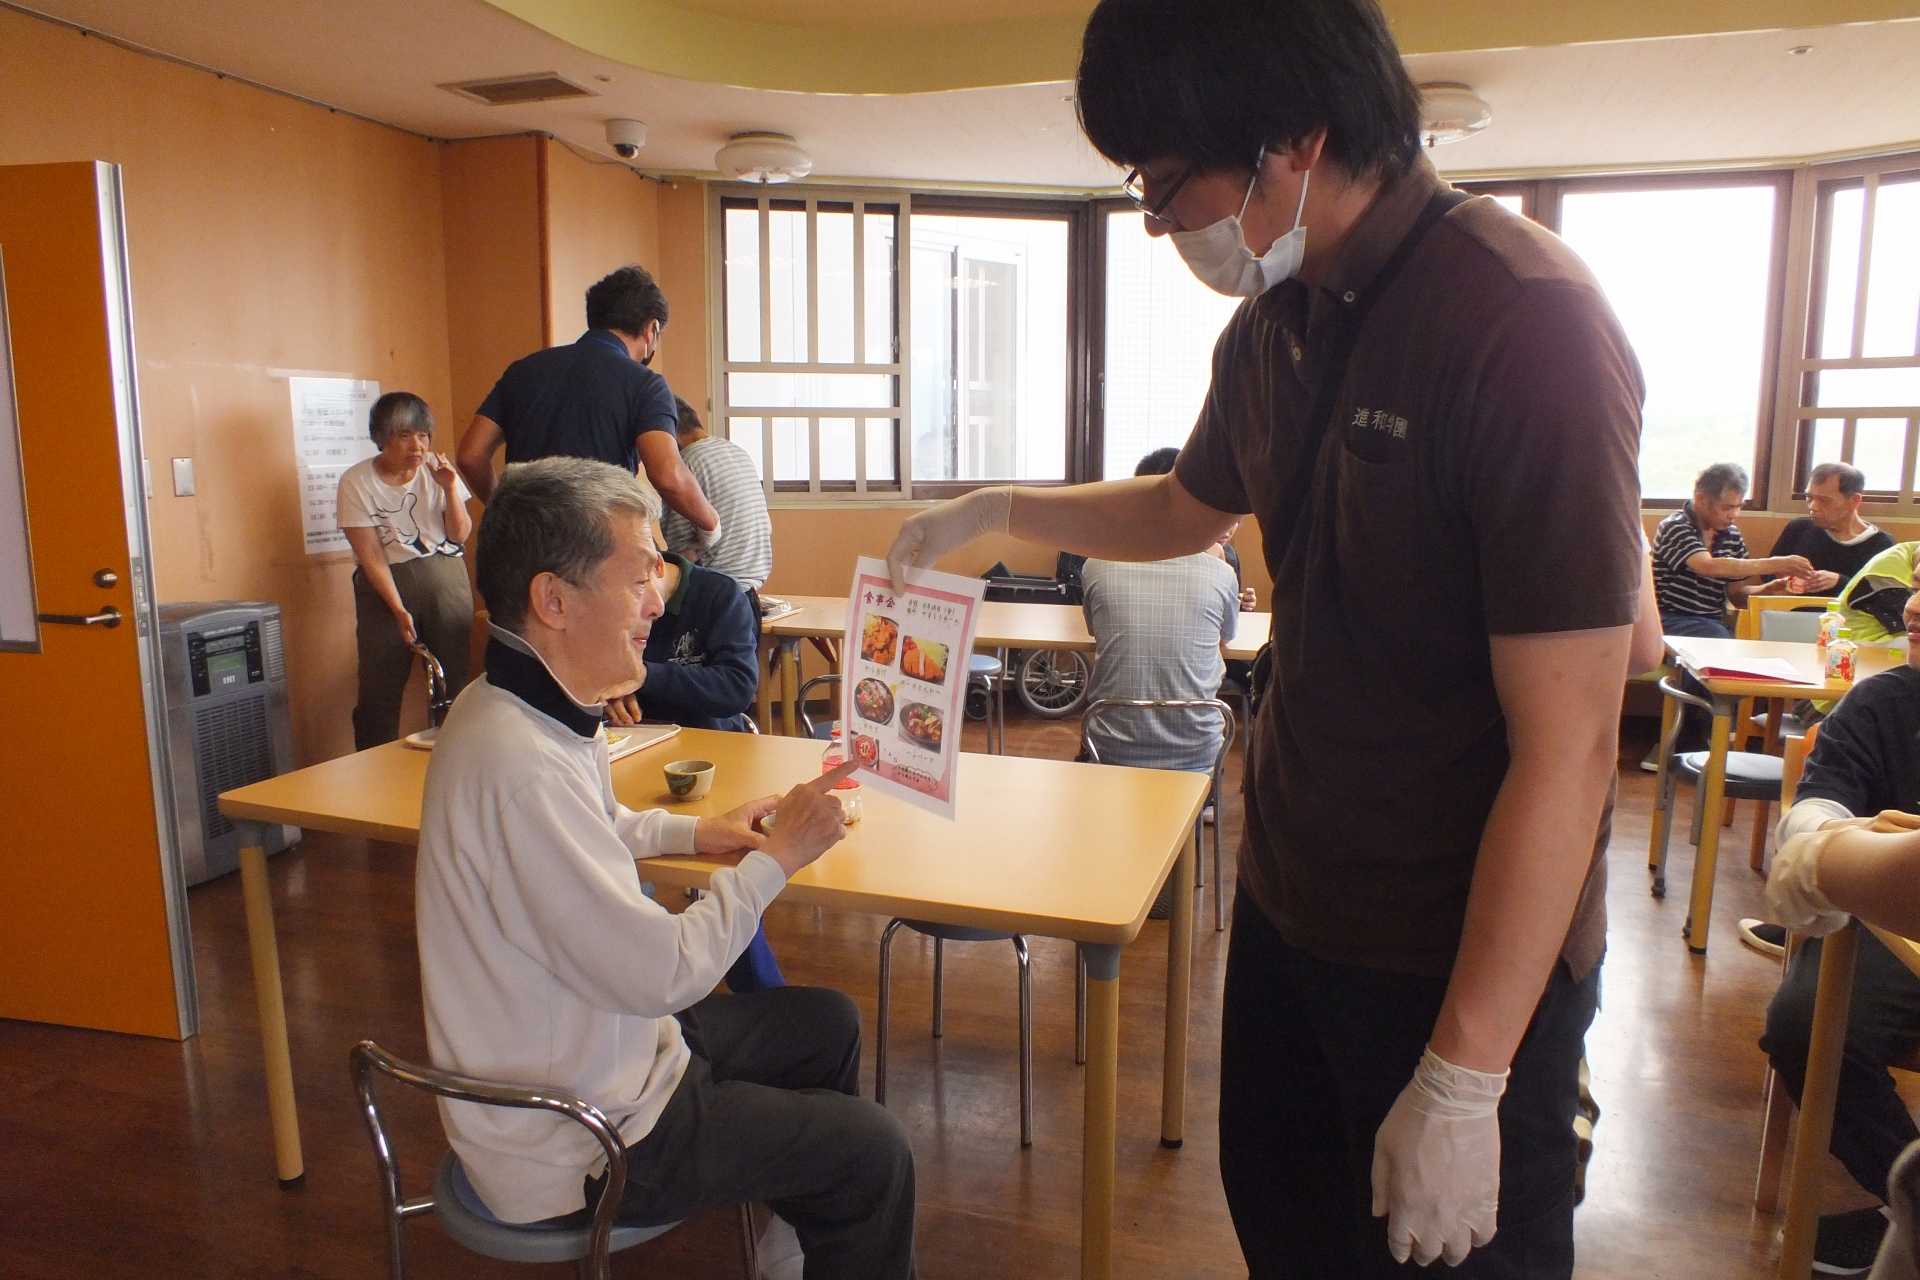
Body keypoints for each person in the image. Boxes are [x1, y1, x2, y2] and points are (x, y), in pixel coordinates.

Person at [889, 2, 1643, 1272]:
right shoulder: (1276, 323)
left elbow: (1570, 747)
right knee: (1289, 1230)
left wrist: (1465, 1072)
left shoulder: (1523, 323)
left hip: (1450, 949)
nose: (1154, 219)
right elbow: (1189, 504)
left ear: (1295, 143)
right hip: (1294, 906)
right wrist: (995, 506)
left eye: (1168, 183)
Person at [416, 457, 914, 1276]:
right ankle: (827, 1209)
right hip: (580, 1139)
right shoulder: (520, 765)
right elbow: (667, 973)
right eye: (640, 575)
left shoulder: (510, 700)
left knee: (826, 1024)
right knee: (875, 1151)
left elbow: (597, 824)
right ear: (554, 599)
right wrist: (778, 858)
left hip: (599, 1051)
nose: (658, 600)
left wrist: (695, 834)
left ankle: (799, 1241)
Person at [1760, 587, 1920, 1274]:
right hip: (1883, 924)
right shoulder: (1884, 703)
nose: (1912, 610)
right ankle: (1906, 1194)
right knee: (1802, 1020)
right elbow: (1820, 804)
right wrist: (1817, 845)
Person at [605, 521, 786, 995]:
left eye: (646, 591)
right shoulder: (610, 598)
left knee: (726, 862)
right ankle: (642, 974)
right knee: (618, 865)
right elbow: (600, 676)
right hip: (630, 750)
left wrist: (641, 675)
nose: (647, 613)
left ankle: (758, 991)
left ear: (657, 567)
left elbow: (735, 689)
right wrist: (607, 692)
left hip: (713, 750)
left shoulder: (719, 596)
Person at [1080, 449, 1241, 913]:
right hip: (1197, 756)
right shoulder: (1220, 572)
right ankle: (1181, 872)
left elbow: (1098, 632)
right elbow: (1224, 644)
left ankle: (1117, 872)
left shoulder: (1097, 565)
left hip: (1111, 749)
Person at [455, 265, 721, 542]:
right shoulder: (645, 384)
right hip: (597, 543)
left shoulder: (522, 371)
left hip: (525, 541)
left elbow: (471, 455)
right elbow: (668, 474)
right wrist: (710, 523)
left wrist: (506, 508)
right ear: (652, 328)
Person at [336, 391, 474, 750]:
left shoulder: (438, 471)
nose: (418, 445)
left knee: (454, 682)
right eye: (405, 435)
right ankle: (371, 770)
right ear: (382, 438)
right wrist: (398, 609)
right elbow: (370, 554)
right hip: (385, 584)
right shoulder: (356, 481)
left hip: (446, 578)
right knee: (378, 688)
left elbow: (459, 535)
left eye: (424, 435)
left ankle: (455, 760)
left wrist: (448, 488)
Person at [1650, 462, 1814, 639]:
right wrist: (1777, 563)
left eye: (1739, 506)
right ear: (1701, 499)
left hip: (1711, 622)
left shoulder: (1732, 534)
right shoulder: (1675, 526)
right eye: (1727, 507)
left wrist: (1770, 588)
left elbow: (1736, 596)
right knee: (1716, 636)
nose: (1735, 514)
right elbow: (1707, 566)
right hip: (1667, 619)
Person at [661, 397, 775, 593]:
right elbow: (767, 526)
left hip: (717, 592)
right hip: (751, 589)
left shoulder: (682, 467)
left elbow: (684, 556)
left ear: (668, 432)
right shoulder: (737, 452)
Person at [1770, 462, 1893, 596]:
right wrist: (1783, 580)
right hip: (1791, 613)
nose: (1813, 507)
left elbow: (1884, 597)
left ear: (1854, 500)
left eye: (1824, 500)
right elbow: (1768, 575)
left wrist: (1840, 582)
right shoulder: (1799, 529)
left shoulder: (1881, 544)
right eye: (1809, 497)